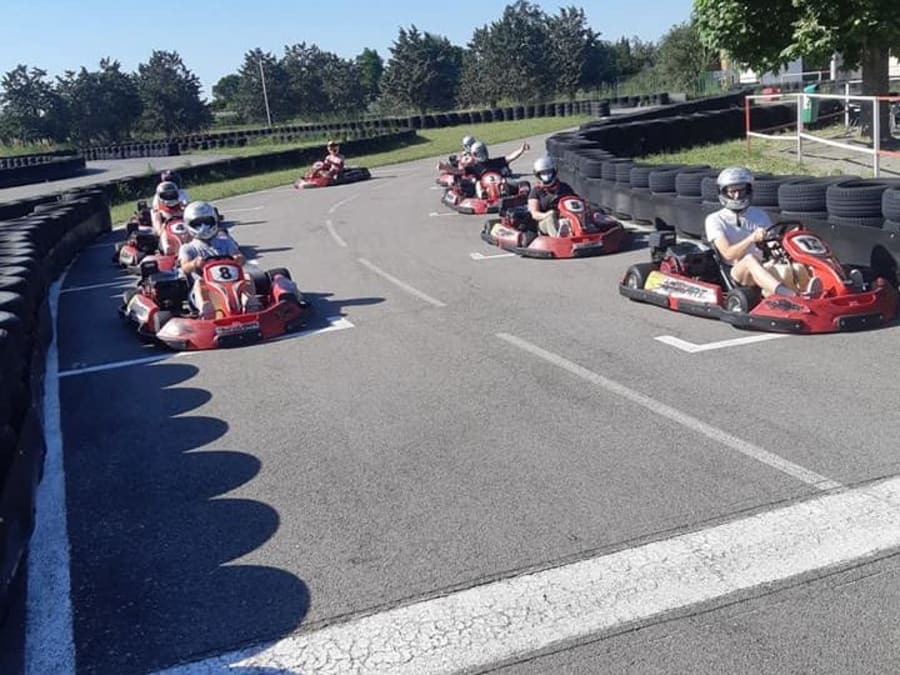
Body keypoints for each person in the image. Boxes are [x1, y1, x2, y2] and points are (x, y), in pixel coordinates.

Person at [704, 166, 822, 298]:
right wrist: (751, 239)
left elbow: (771, 243)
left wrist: (787, 239)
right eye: (732, 192)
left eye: (741, 191)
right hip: (737, 272)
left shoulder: (759, 215)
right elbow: (728, 254)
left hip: (763, 265)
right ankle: (791, 295)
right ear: (723, 192)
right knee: (750, 259)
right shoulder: (715, 219)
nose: (737, 196)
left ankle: (813, 291)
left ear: (748, 191)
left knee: (795, 266)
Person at [177, 201, 252, 318]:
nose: (203, 226)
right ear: (189, 225)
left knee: (247, 277)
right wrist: (195, 263)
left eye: (207, 222)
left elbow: (239, 256)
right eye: (198, 223)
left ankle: (250, 304)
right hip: (206, 289)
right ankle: (206, 311)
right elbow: (184, 267)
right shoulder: (188, 248)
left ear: (214, 221)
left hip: (232, 284)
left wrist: (238, 258)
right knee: (199, 283)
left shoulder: (226, 241)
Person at [527, 156, 576, 237]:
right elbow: (534, 214)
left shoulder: (564, 187)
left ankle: (584, 235)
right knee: (551, 217)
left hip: (564, 218)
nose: (546, 175)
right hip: (544, 222)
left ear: (554, 171)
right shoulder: (535, 191)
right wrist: (548, 214)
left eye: (548, 172)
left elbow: (574, 200)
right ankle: (558, 239)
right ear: (538, 174)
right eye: (543, 173)